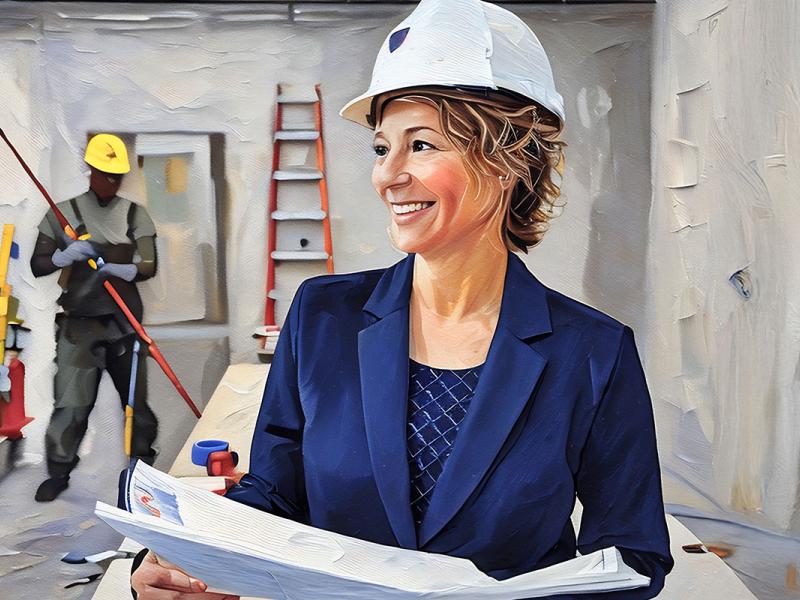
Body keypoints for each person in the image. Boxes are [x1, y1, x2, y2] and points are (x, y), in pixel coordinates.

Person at [131, 0, 673, 597]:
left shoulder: (593, 353)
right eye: (381, 148)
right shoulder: (322, 317)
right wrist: (192, 559)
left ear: (510, 160)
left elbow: (631, 558)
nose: (388, 175)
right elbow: (277, 493)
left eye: (421, 146)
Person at [31, 133, 159, 502]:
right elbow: (38, 265)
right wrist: (64, 256)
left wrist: (115, 269)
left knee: (136, 403)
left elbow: (148, 266)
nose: (111, 182)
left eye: (117, 176)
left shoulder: (135, 214)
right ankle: (58, 471)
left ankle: (142, 469)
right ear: (91, 171)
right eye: (105, 174)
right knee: (71, 404)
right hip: (78, 327)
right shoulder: (63, 214)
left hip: (124, 326)